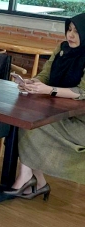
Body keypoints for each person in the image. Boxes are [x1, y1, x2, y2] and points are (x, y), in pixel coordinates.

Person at [5, 13, 85, 200]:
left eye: (77, 32)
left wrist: (49, 90)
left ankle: (29, 178)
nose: (71, 35)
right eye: (69, 30)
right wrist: (31, 83)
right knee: (25, 117)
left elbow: (83, 92)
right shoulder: (62, 48)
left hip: (80, 121)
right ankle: (37, 181)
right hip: (58, 111)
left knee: (32, 123)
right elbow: (45, 75)